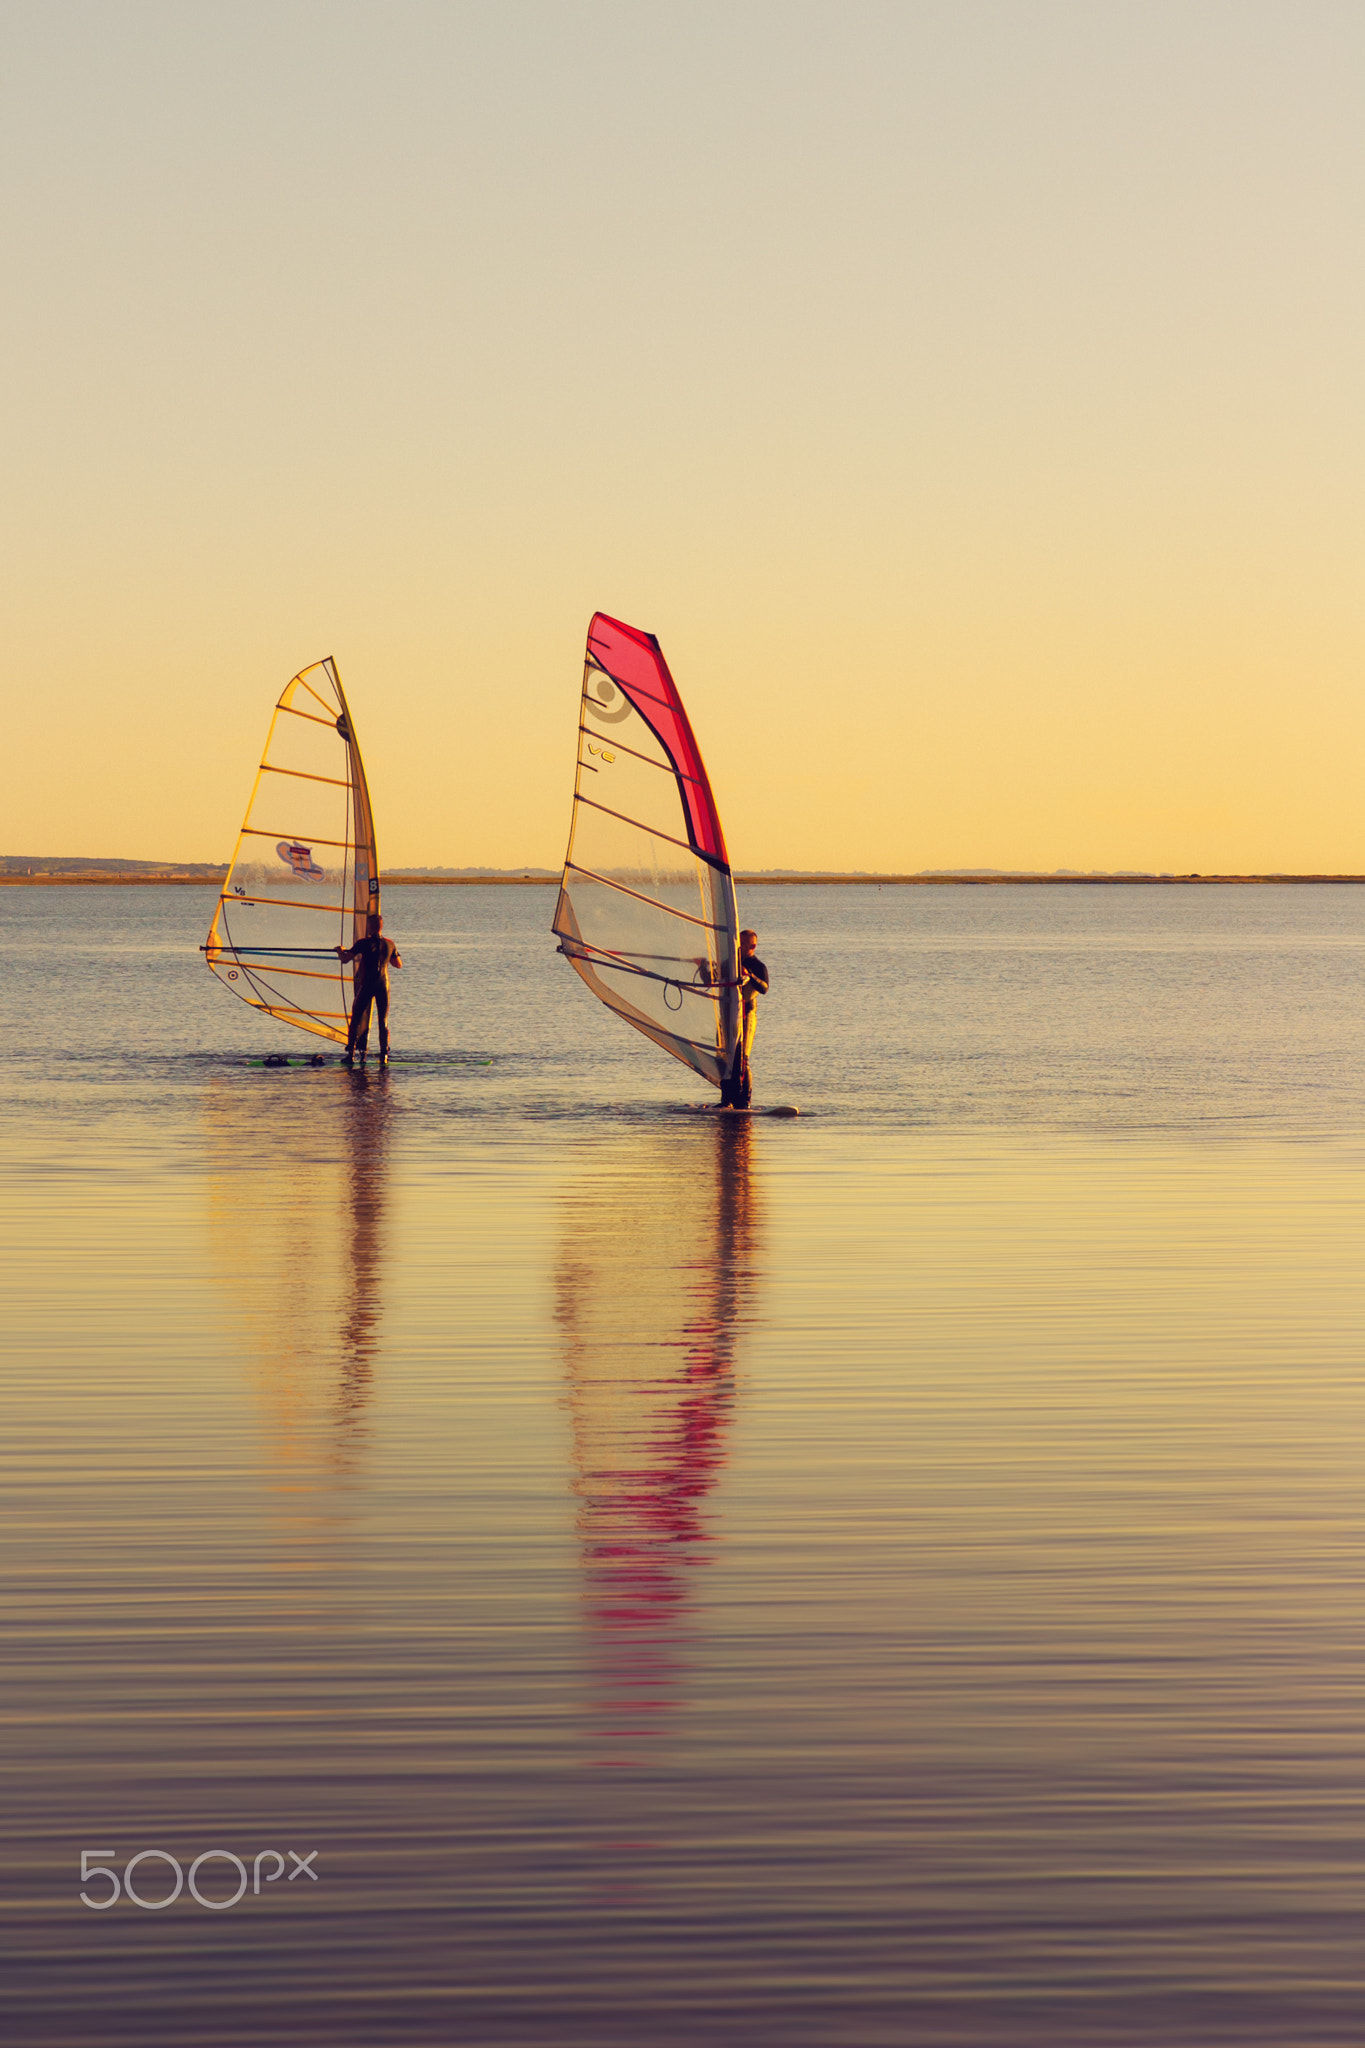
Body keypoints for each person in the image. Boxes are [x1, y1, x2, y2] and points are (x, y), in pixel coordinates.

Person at [336, 913, 402, 1066]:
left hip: (367, 985)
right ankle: (384, 1055)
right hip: (383, 985)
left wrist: (340, 950)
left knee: (356, 1018)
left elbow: (345, 960)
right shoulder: (390, 944)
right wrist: (386, 956)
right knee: (383, 1022)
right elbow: (398, 964)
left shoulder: (363, 943)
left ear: (370, 927)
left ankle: (351, 1054)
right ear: (381, 926)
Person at [724, 928, 769, 1108]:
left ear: (753, 946)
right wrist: (703, 966)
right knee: (727, 1056)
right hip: (727, 1014)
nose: (741, 947)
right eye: (739, 944)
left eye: (745, 945)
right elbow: (710, 978)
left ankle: (745, 1101)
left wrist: (750, 976)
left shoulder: (758, 966)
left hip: (746, 1015)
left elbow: (764, 988)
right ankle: (727, 1099)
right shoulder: (729, 964)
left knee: (743, 1058)